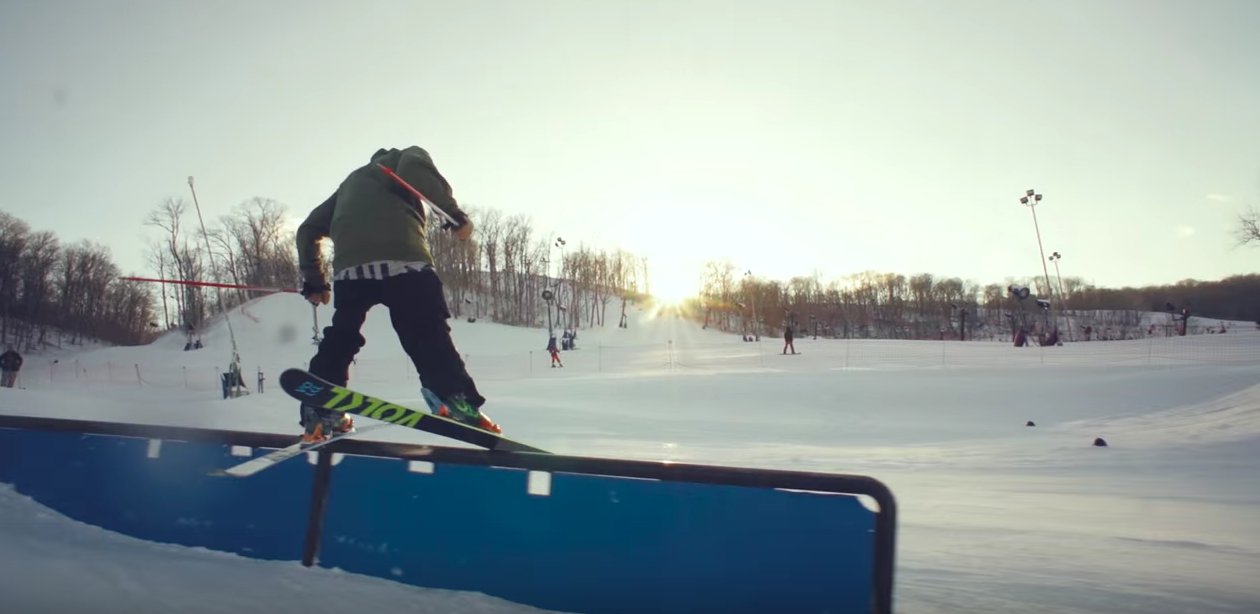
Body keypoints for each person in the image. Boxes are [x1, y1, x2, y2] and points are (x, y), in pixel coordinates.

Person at [294, 146, 497, 445]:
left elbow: (308, 229)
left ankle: (320, 408)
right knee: (426, 332)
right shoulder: (406, 157)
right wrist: (455, 215)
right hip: (405, 263)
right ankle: (453, 398)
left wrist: (316, 283)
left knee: (342, 335)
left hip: (351, 270)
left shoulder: (349, 183)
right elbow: (417, 173)